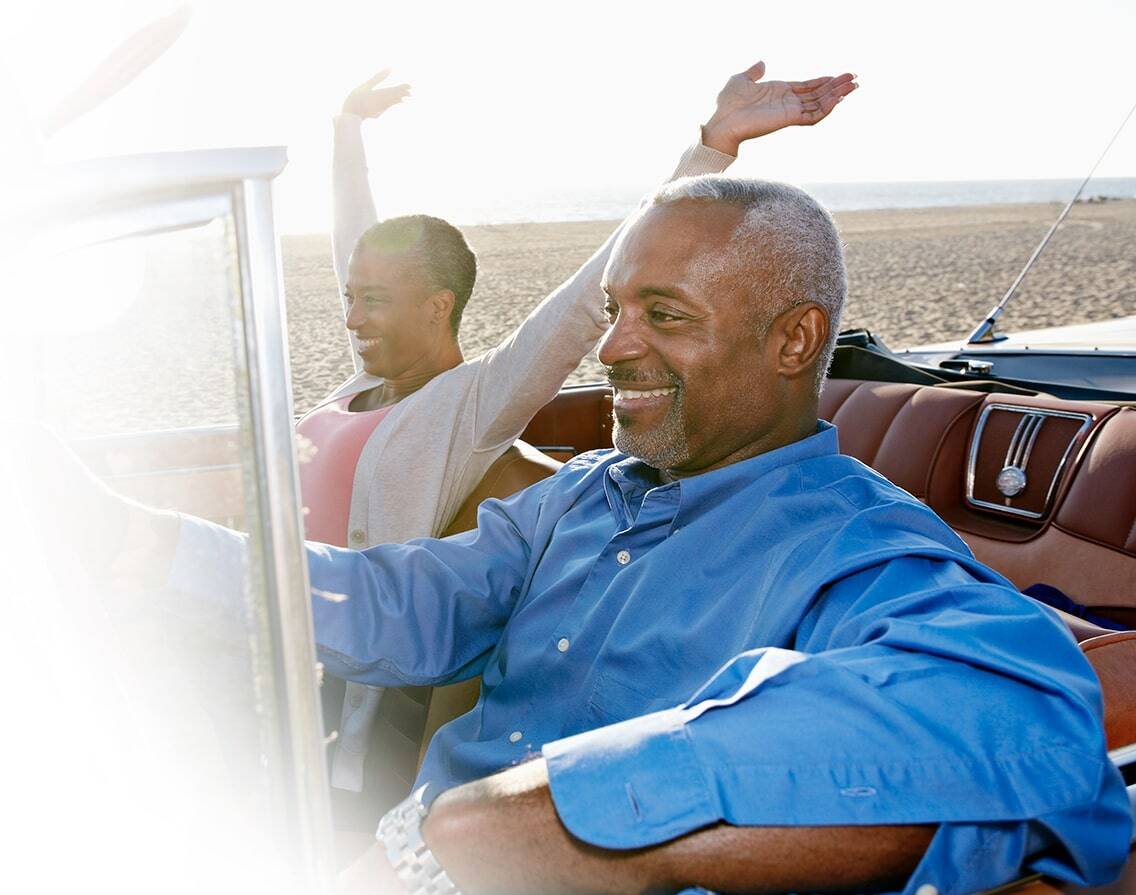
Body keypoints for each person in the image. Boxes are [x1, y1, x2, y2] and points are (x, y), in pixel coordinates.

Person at [171, 175, 1129, 893]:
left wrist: (579, 812)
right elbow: (412, 600)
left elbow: (1030, 714)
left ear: (795, 341)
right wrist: (163, 556)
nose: (615, 346)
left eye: (663, 315)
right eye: (615, 310)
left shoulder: (853, 542)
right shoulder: (581, 494)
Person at [303, 63, 859, 805]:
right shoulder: (361, 379)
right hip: (325, 626)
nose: (356, 314)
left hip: (352, 680)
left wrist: (710, 150)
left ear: (434, 306)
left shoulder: (465, 406)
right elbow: (358, 247)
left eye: (375, 299)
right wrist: (346, 131)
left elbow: (582, 308)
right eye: (352, 297)